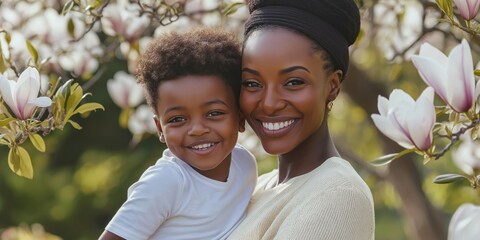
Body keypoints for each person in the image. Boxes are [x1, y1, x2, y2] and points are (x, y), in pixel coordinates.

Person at [227, 0, 375, 239]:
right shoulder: (255, 188)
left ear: (332, 86)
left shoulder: (337, 193)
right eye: (252, 84)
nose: (269, 103)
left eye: (294, 82)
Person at [99, 28, 257, 240]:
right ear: (159, 129)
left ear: (239, 117)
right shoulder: (167, 182)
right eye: (177, 119)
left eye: (214, 113)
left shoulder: (245, 164)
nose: (198, 129)